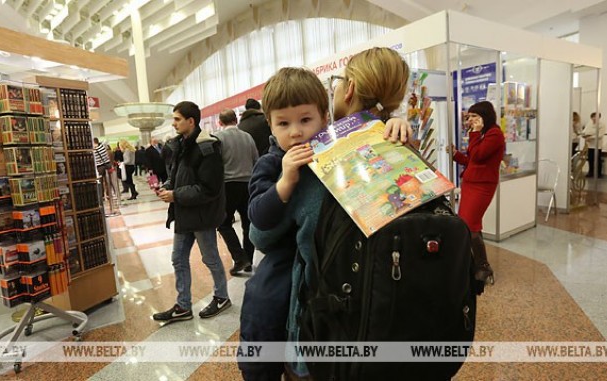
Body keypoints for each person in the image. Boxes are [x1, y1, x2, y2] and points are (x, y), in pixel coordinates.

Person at [240, 50, 412, 380]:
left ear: (327, 113)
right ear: (270, 125)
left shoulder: (332, 152)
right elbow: (258, 220)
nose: (295, 133)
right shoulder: (276, 164)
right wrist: (285, 181)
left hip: (326, 298)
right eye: (283, 124)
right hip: (374, 297)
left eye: (306, 120)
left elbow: (260, 237)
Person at [152, 101, 230, 323]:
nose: (173, 123)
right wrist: (168, 186)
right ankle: (183, 306)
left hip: (202, 215)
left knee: (210, 258)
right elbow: (178, 176)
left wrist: (176, 194)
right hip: (184, 214)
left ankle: (222, 297)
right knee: (178, 258)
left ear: (191, 121)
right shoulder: (180, 145)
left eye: (177, 119)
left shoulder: (207, 147)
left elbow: (209, 189)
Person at [452, 101, 505, 284]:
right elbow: (472, 161)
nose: (471, 120)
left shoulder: (494, 134)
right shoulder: (481, 134)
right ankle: (478, 264)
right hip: (470, 183)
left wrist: (474, 133)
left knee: (469, 224)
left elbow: (478, 156)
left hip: (482, 186)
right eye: (470, 117)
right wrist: (455, 155)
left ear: (485, 116)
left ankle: (483, 267)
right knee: (472, 225)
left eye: (475, 116)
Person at [214, 109, 258, 275]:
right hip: (248, 184)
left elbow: (216, 164)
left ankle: (239, 257)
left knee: (223, 223)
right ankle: (249, 259)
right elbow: (256, 159)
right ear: (235, 120)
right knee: (248, 223)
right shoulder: (247, 137)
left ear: (220, 122)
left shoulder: (219, 137)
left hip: (228, 185)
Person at [582, 112, 605, 177]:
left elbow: (600, 135)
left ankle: (598, 173)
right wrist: (584, 136)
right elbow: (584, 131)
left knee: (597, 159)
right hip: (590, 145)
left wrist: (591, 137)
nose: (594, 118)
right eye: (593, 117)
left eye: (596, 117)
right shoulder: (589, 124)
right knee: (590, 159)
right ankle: (591, 172)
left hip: (597, 145)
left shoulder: (602, 125)